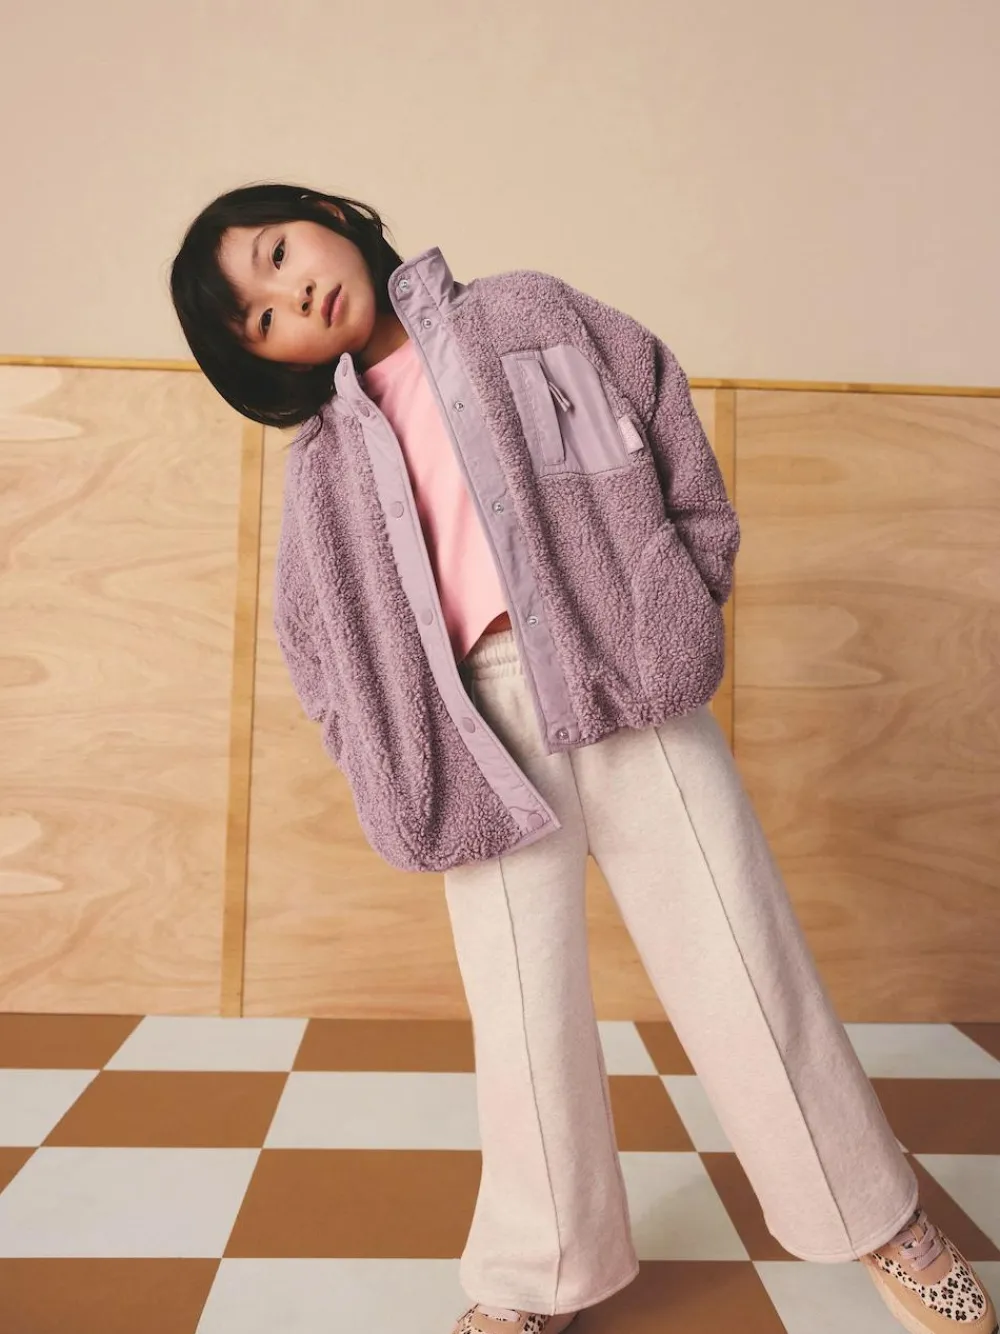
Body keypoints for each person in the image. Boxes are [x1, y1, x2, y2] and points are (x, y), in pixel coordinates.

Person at [169, 182, 996, 1334]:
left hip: (625, 678)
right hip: (476, 736)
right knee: (522, 1013)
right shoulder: (323, 466)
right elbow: (315, 640)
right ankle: (536, 1271)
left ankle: (875, 1213)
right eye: (261, 318)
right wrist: (384, 755)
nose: (293, 295)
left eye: (276, 253)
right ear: (263, 362)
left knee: (742, 953)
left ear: (325, 214)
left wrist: (678, 593)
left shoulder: (526, 312)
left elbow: (660, 408)